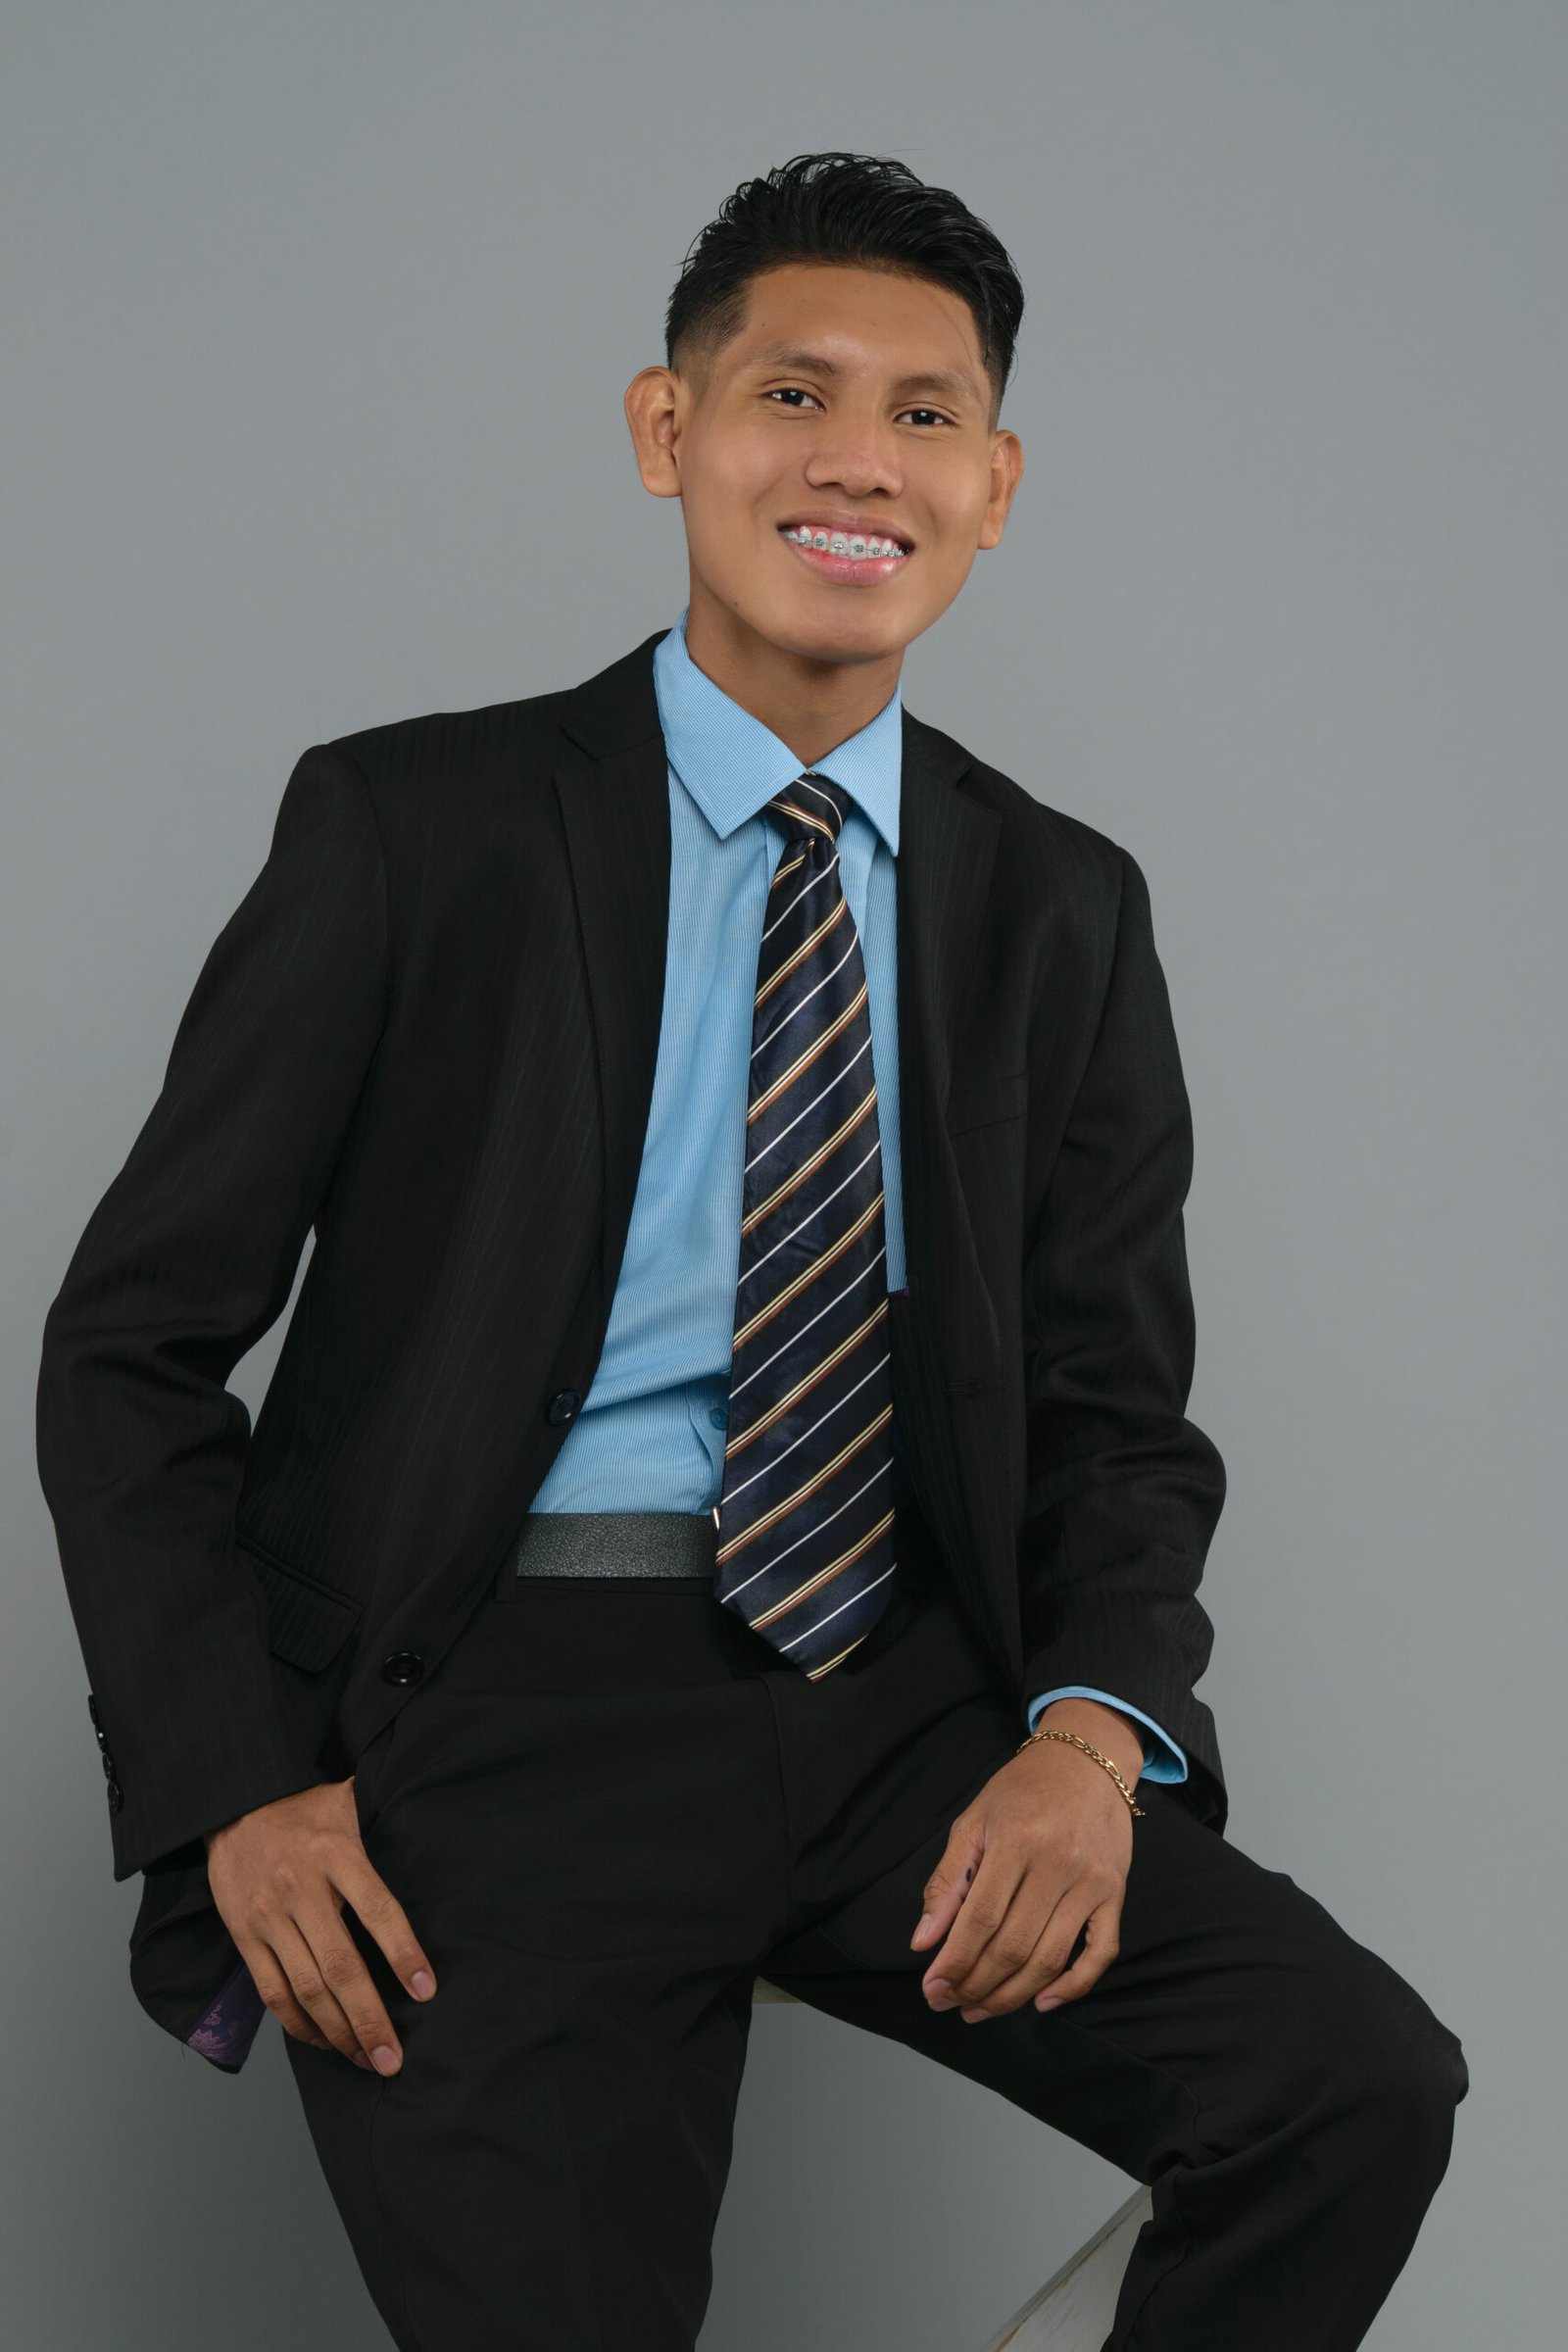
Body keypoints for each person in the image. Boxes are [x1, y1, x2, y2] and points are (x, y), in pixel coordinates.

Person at [36, 150, 1467, 2351]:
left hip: (898, 1706)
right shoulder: (415, 831)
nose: (857, 460)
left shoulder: (1059, 906)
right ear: (666, 430)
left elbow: (1112, 1410)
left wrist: (1090, 1741)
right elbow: (129, 1348)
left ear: (994, 488)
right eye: (793, 393)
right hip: (495, 1716)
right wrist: (234, 1781)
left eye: (925, 415)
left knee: (1345, 2086)